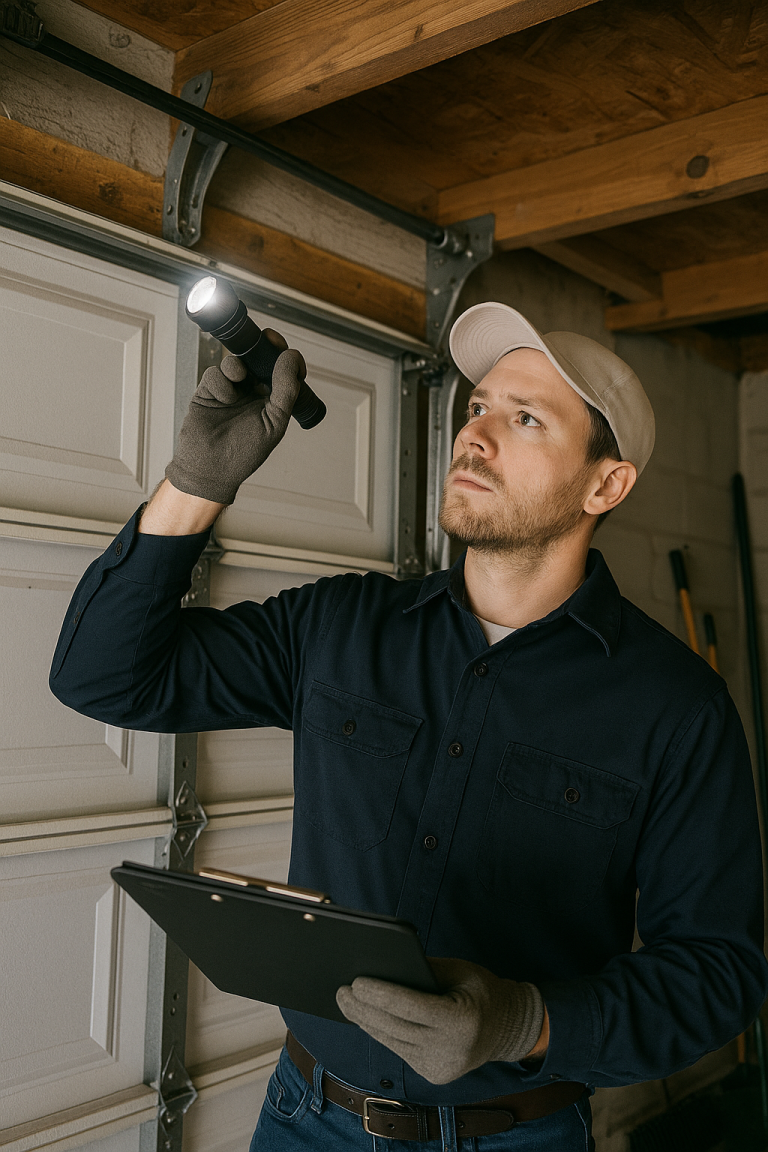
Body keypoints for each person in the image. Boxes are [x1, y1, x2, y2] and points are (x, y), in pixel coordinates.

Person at [50, 301, 768, 1152]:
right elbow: (102, 674)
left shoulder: (677, 707)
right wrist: (195, 484)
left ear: (604, 484)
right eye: (478, 408)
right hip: (307, 1118)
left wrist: (525, 1024)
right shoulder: (342, 625)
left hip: (515, 1136)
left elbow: (720, 974)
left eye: (525, 418)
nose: (477, 435)